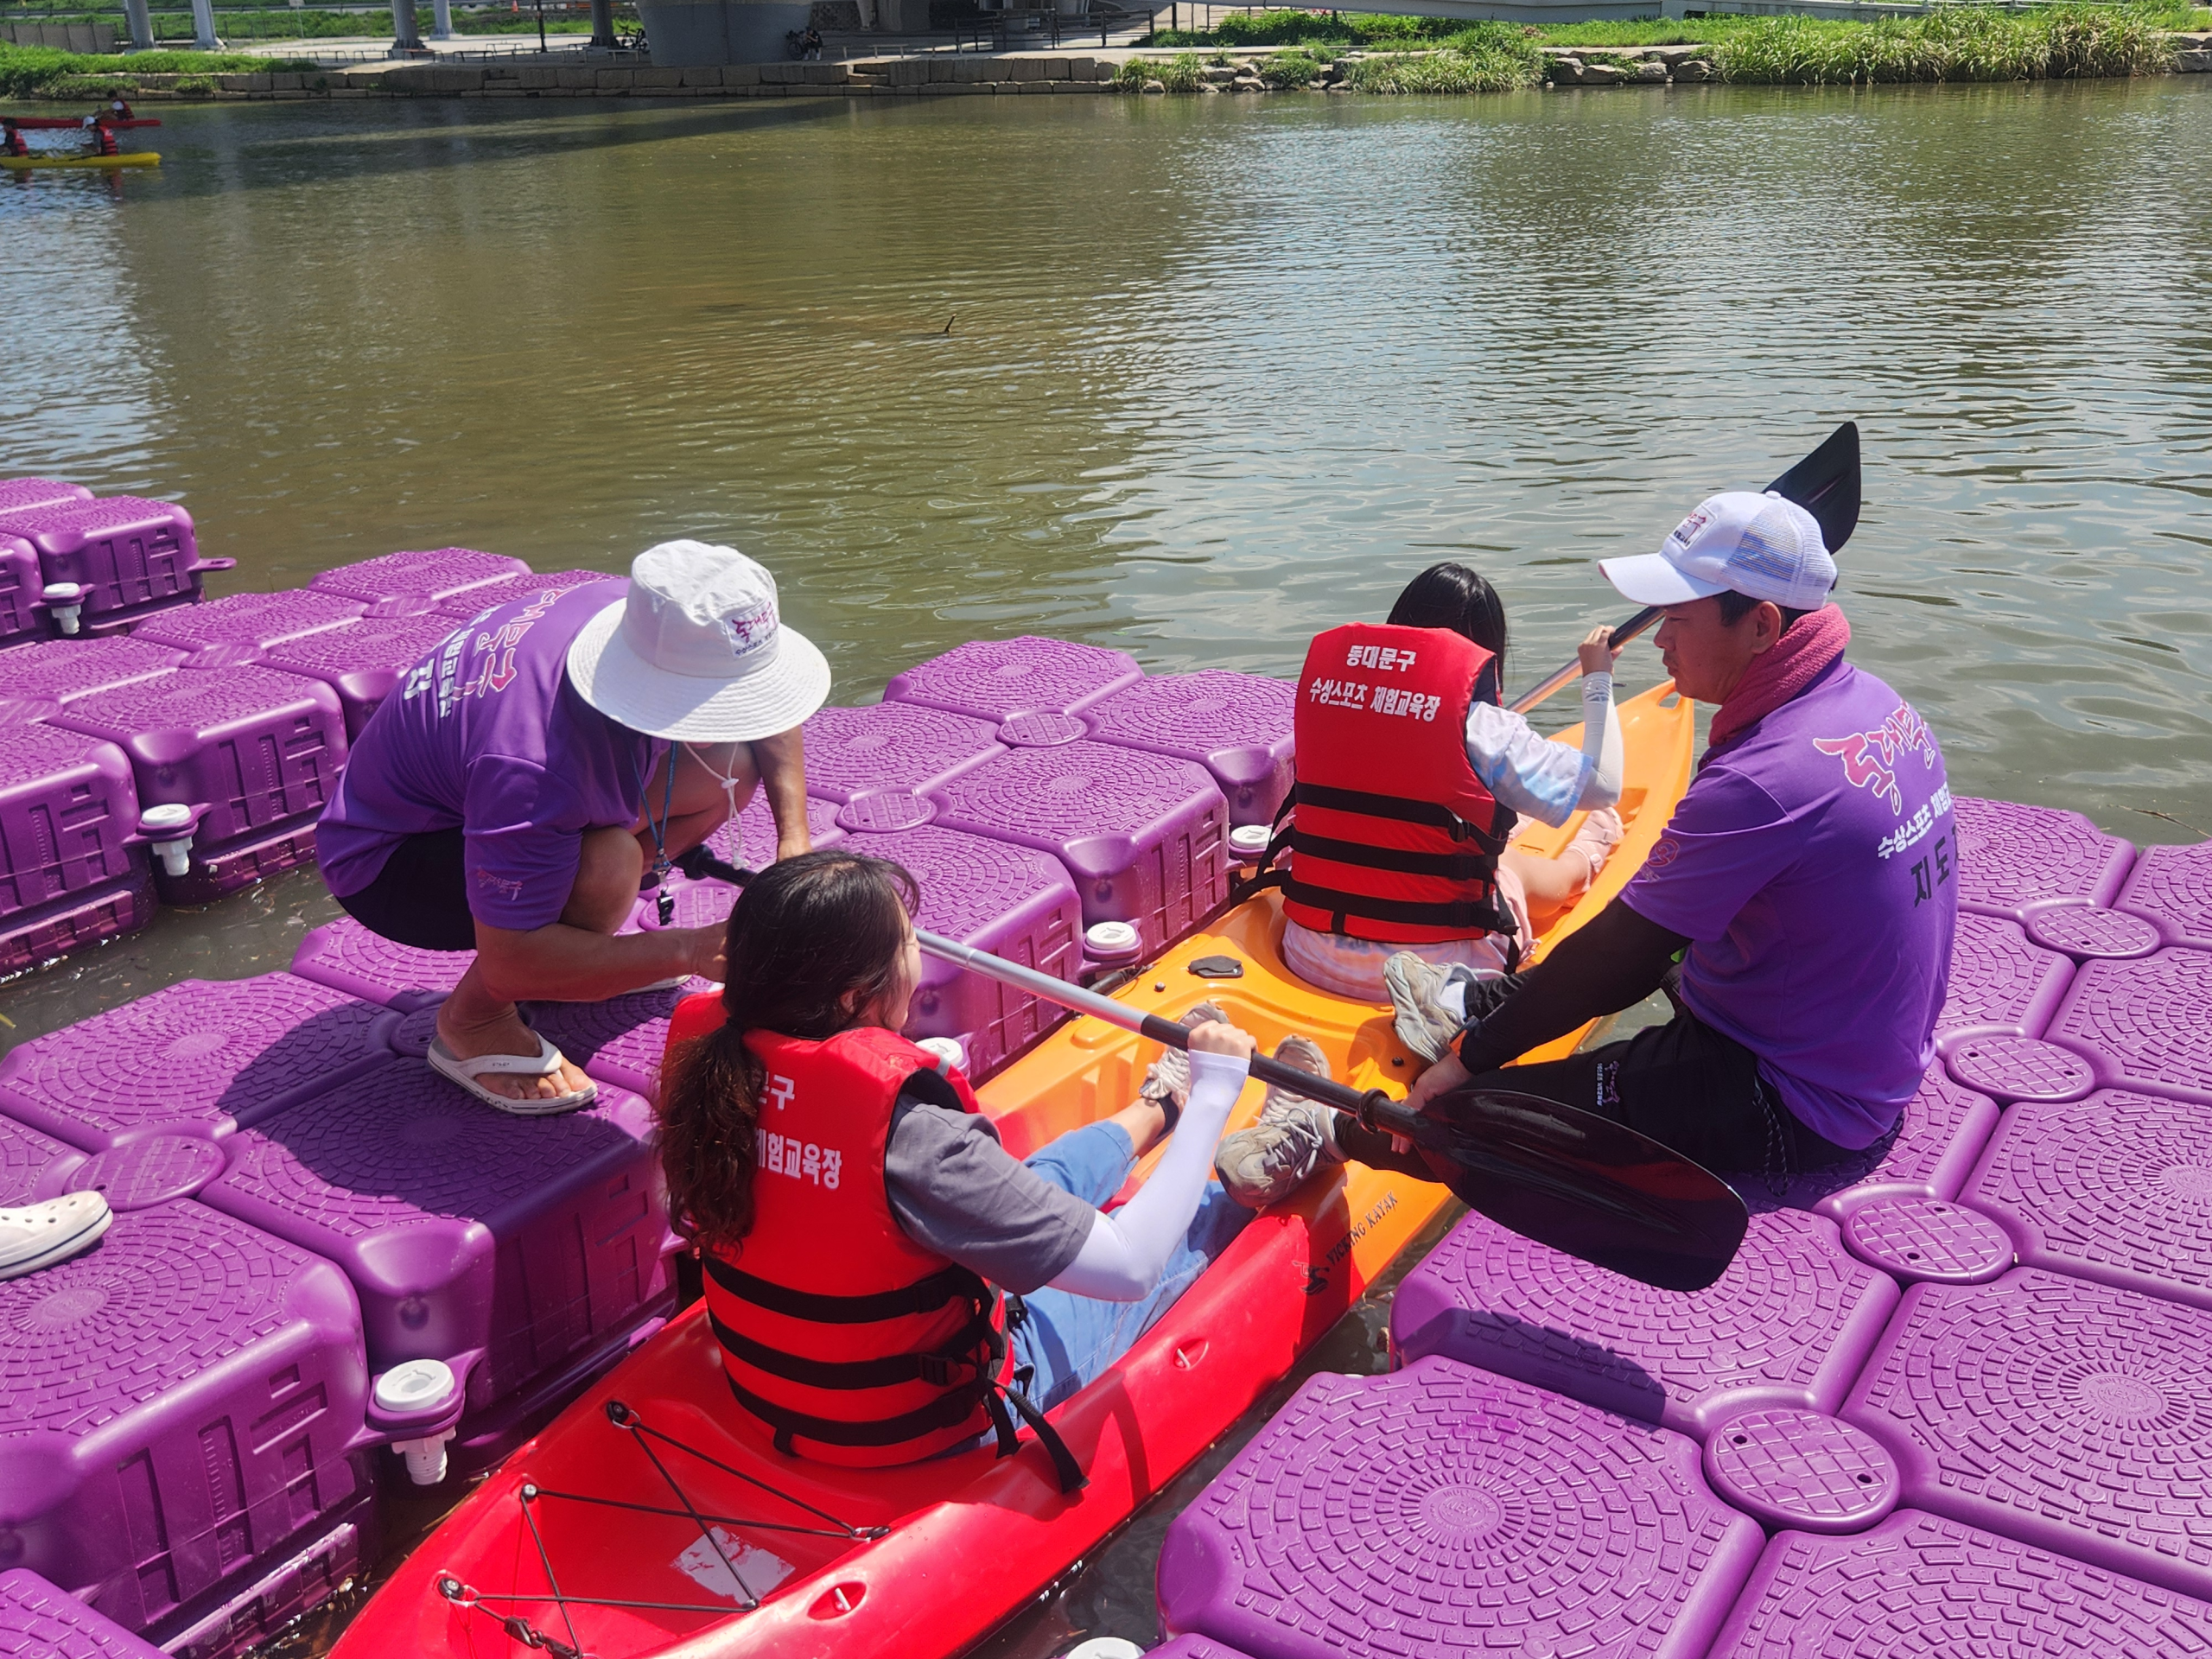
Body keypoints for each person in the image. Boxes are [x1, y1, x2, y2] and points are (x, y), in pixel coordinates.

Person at [1252, 488, 1956, 1194]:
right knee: (1644, 949)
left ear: (1763, 626)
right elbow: (1641, 949)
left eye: (1677, 619)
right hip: (1841, 1050)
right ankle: (1470, 1004)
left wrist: (1467, 1061)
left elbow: (1624, 959)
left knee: (1474, 1111)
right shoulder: (1880, 706)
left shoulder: (1763, 780)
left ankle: (1326, 1130)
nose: (1659, 640)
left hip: (1794, 1103)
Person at [656, 851, 1324, 1482]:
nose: (918, 957)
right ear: (858, 1000)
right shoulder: (914, 1138)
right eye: (910, 942)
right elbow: (1130, 1267)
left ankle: (1158, 1108)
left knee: (1035, 1180)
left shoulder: (711, 1071)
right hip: (934, 1417)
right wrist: (1216, 1092)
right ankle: (1264, 1160)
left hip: (781, 1392)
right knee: (1175, 1228)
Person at [317, 541, 826, 1115]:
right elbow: (508, 958)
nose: (734, 715)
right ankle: (474, 1019)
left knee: (731, 765)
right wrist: (689, 949)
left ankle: (575, 953)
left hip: (492, 793)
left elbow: (768, 705)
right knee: (608, 864)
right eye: (712, 702)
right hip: (391, 860)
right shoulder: (535, 763)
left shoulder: (661, 615)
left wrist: (794, 844)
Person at [1215, 563, 1624, 1207]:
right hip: (1428, 975)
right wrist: (1598, 678)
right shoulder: (1487, 728)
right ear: (1486, 652)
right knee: (1513, 868)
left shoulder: (1330, 697)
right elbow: (1602, 782)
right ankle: (1594, 849)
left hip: (1307, 952)